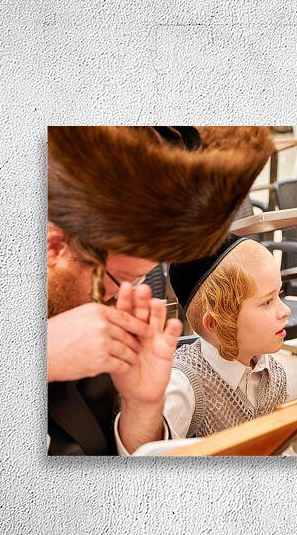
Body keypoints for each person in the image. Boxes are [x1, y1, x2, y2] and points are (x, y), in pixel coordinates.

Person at [47, 126, 275, 456]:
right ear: (55, 249)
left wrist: (142, 405)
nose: (122, 298)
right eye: (120, 279)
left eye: (139, 280)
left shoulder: (90, 315)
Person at [116, 237, 291, 452]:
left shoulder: (273, 373)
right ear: (215, 323)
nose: (285, 310)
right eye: (267, 301)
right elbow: (147, 460)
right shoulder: (183, 385)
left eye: (279, 294)